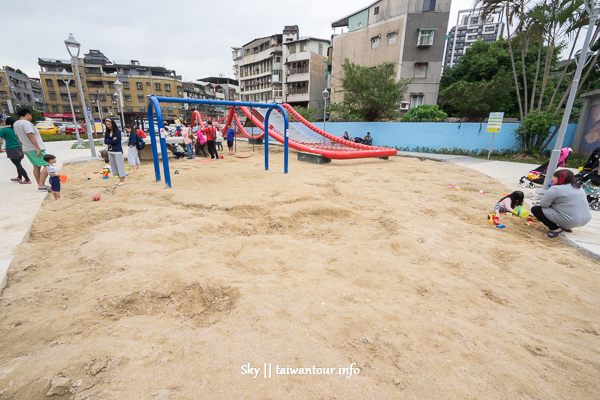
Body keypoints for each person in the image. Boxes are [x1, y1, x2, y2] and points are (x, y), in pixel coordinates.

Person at [532, 169, 592, 238]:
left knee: (536, 209)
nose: (552, 179)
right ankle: (567, 227)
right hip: (585, 219)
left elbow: (543, 204)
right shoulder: (578, 187)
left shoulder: (556, 188)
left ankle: (555, 229)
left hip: (570, 220)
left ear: (561, 178)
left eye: (554, 177)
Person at [13, 108, 49, 191]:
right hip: (33, 148)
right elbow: (30, 135)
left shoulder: (16, 123)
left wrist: (22, 147)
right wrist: (38, 148)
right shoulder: (26, 123)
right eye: (31, 115)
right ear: (27, 114)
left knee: (36, 166)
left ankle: (40, 184)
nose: (31, 117)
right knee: (47, 165)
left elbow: (18, 137)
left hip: (26, 148)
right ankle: (41, 184)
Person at [1, 117, 31, 184]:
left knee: (18, 165)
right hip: (20, 148)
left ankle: (27, 179)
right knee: (18, 163)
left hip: (11, 149)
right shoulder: (17, 130)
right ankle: (19, 177)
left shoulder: (4, 130)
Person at [103, 118, 127, 186]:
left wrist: (110, 141)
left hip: (117, 151)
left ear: (112, 124)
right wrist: (111, 140)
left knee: (120, 166)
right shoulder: (107, 132)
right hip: (111, 151)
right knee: (114, 166)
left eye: (109, 124)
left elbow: (116, 141)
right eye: (107, 124)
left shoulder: (118, 132)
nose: (108, 126)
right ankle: (120, 180)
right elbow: (105, 141)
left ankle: (123, 180)